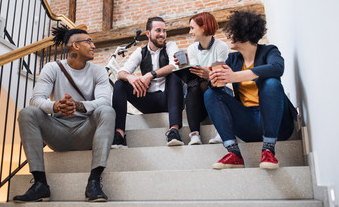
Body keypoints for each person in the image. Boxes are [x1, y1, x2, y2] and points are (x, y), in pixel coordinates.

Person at [13, 26, 115, 202]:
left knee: (107, 110)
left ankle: (94, 182)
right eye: (89, 41)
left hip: (86, 132)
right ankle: (40, 185)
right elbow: (36, 99)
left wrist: (79, 106)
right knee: (28, 113)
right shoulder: (52, 68)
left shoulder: (98, 72)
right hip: (58, 132)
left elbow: (105, 101)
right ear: (75, 46)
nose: (93, 45)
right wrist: (56, 107)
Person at [204, 10, 297, 169]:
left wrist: (235, 77)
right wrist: (213, 78)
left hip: (277, 124)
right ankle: (234, 154)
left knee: (272, 83)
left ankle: (268, 150)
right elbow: (218, 84)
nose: (229, 36)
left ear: (243, 33)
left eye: (232, 32)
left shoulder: (269, 51)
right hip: (247, 123)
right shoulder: (233, 59)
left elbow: (277, 68)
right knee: (210, 94)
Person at [112, 17, 184, 148]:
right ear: (148, 33)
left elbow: (175, 66)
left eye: (164, 31)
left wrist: (151, 75)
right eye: (158, 30)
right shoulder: (140, 52)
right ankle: (119, 135)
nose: (162, 34)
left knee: (175, 76)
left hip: (169, 99)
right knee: (120, 84)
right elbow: (121, 73)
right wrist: (130, 78)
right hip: (148, 101)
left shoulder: (170, 46)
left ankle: (174, 131)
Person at [175, 12, 228, 145]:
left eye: (192, 28)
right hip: (197, 101)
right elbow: (195, 74)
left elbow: (220, 76)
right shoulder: (192, 49)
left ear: (203, 27)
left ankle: (220, 131)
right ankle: (194, 135)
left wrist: (208, 73)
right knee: (193, 83)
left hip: (217, 93)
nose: (190, 32)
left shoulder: (221, 47)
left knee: (208, 83)